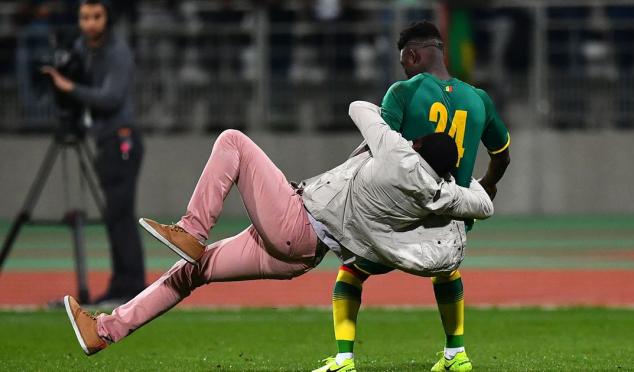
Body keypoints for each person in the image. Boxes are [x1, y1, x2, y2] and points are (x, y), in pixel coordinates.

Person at [63, 101, 494, 358]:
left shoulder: (397, 155)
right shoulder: (439, 193)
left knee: (232, 140)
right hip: (304, 254)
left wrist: (395, 120)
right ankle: (104, 332)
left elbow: (360, 109)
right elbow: (485, 204)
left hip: (296, 219)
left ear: (415, 145)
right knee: (192, 273)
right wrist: (459, 182)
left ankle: (192, 230)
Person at [318, 21, 511, 372]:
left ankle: (344, 358)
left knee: (351, 271)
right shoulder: (479, 99)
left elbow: (381, 149)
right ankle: (456, 354)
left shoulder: (403, 92)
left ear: (412, 54)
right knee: (447, 272)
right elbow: (502, 154)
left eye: (404, 61)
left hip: (398, 220)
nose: (403, 68)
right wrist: (487, 184)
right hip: (449, 222)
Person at [42, 0, 145, 305]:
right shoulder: (84, 50)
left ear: (107, 18)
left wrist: (69, 87)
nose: (89, 23)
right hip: (105, 140)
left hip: (122, 139)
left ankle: (131, 287)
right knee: (115, 215)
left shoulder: (117, 52)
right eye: (84, 17)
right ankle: (121, 286)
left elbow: (111, 98)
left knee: (121, 214)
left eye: (96, 17)